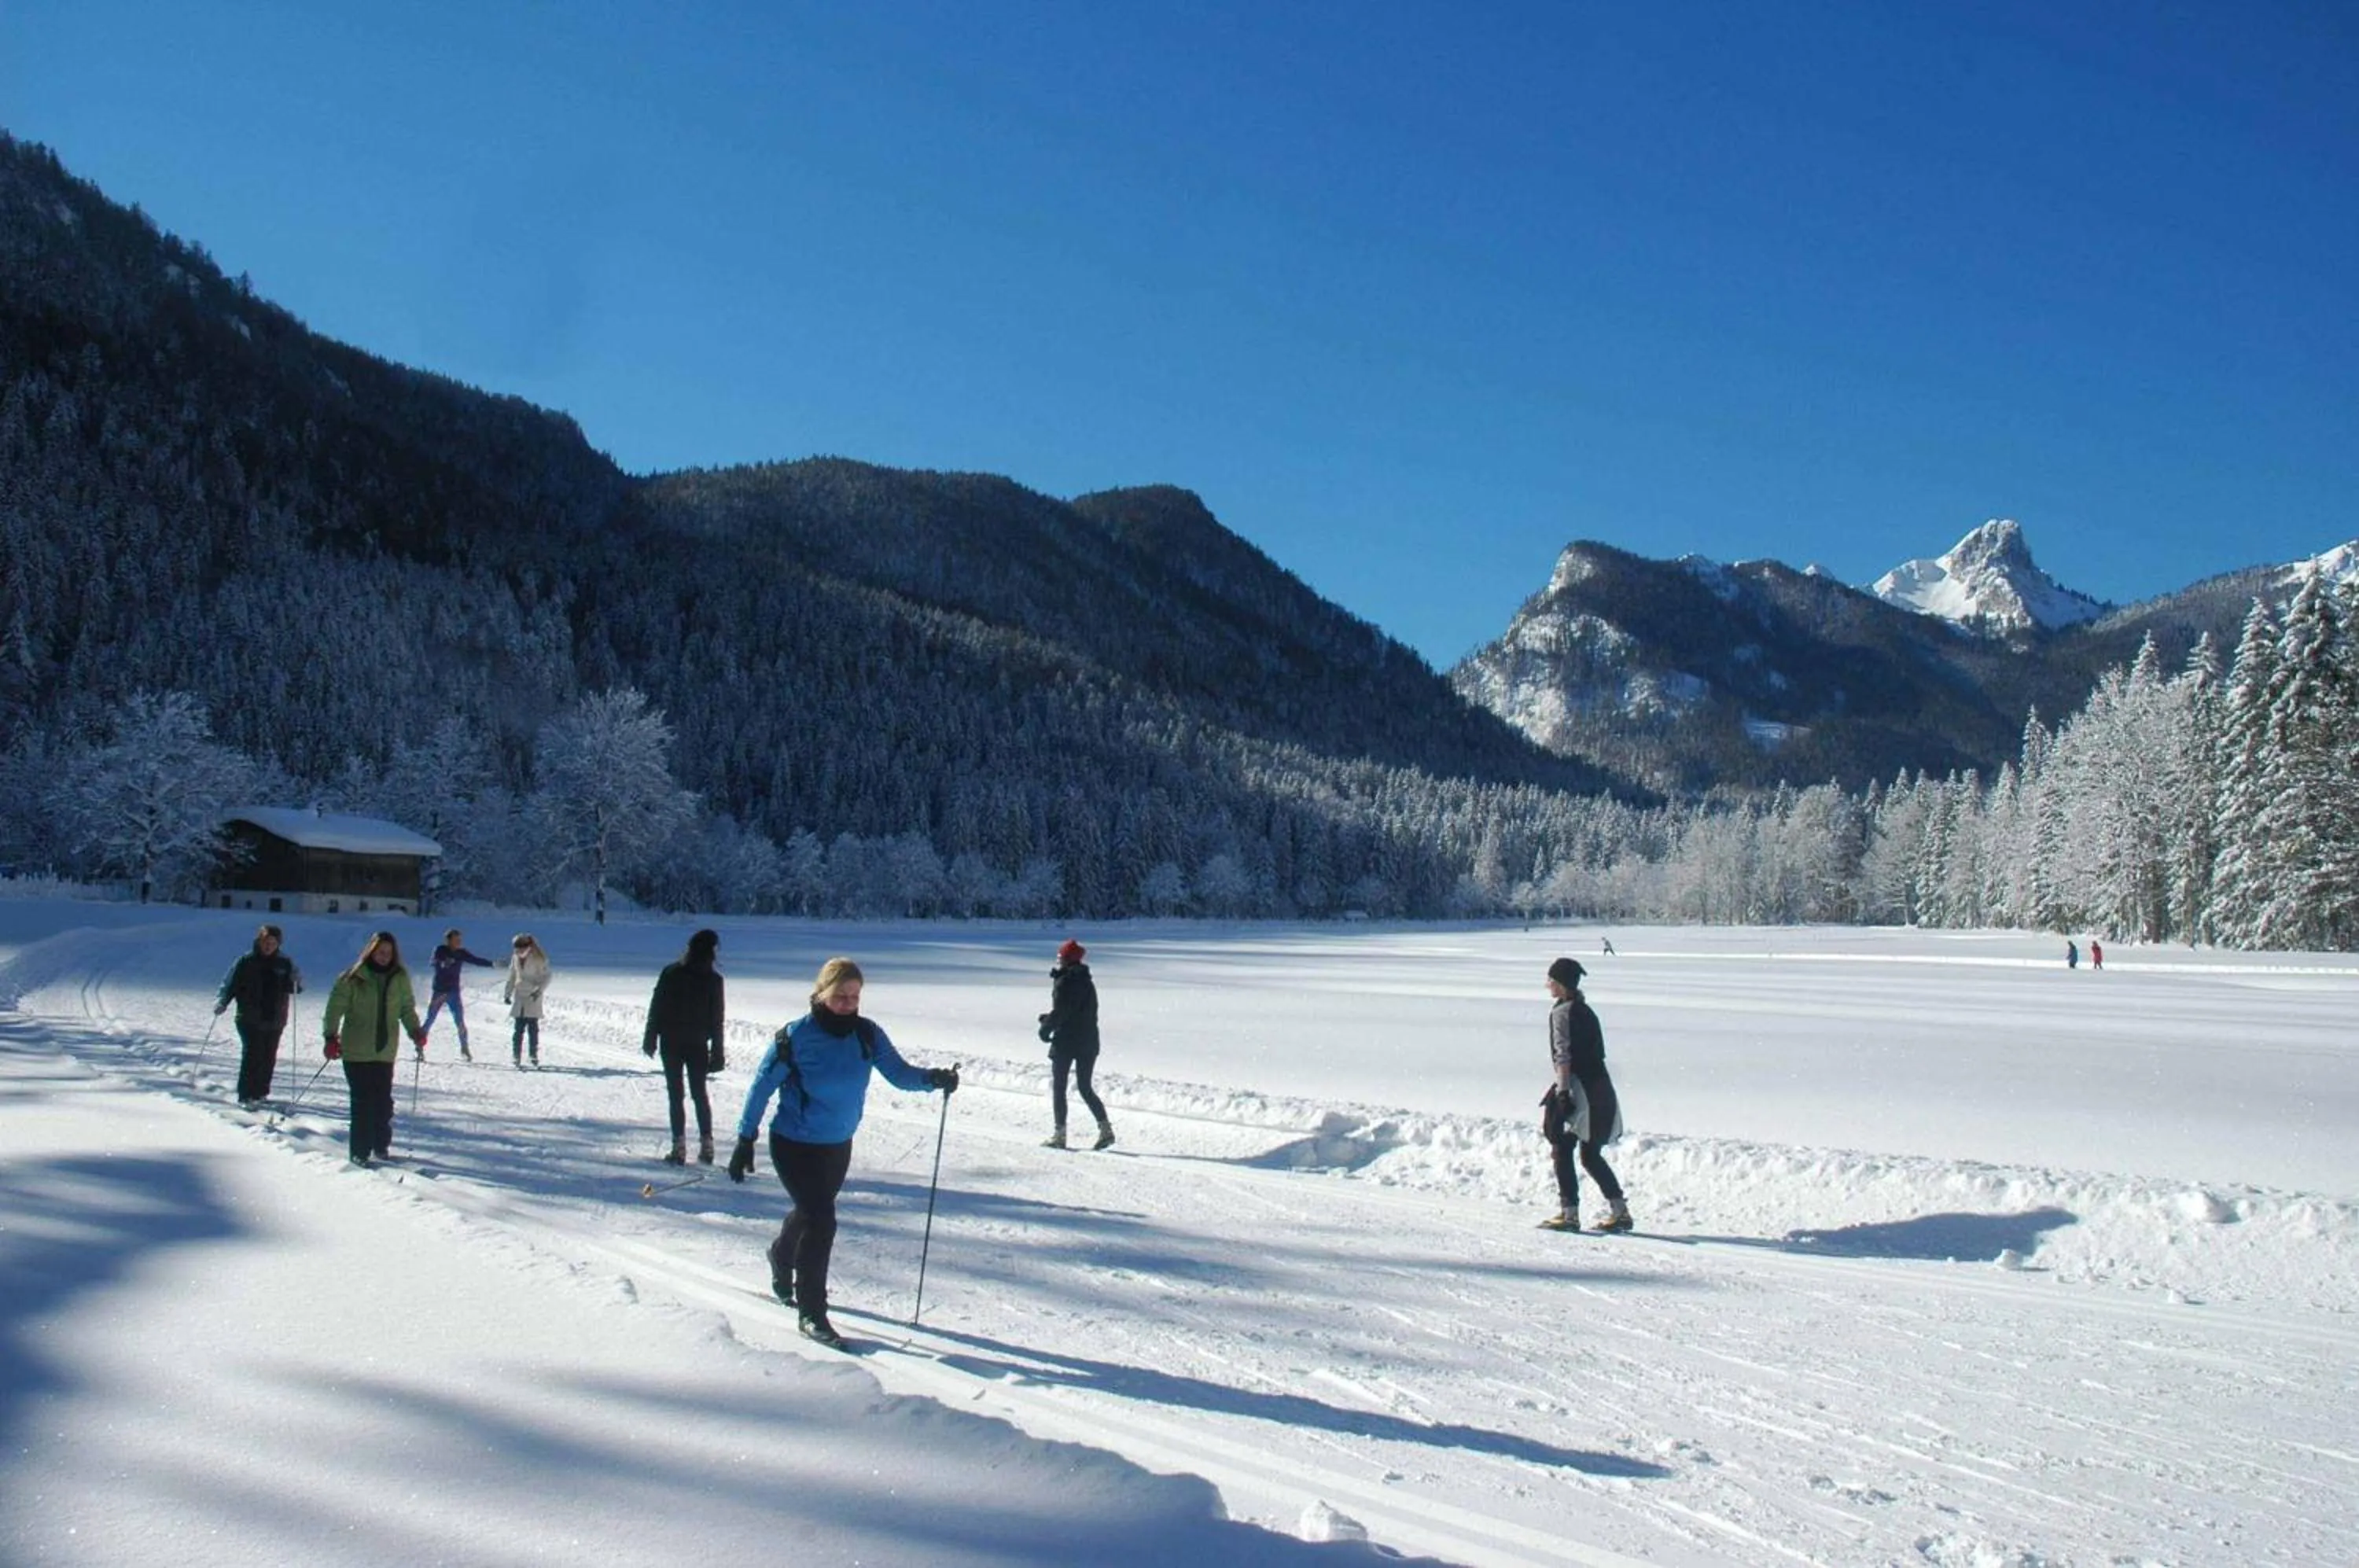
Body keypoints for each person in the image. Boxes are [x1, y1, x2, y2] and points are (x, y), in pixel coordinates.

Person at [727, 957, 959, 1349]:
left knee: (810, 1213)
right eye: (840, 997)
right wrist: (744, 1138)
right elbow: (761, 1087)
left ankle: (781, 1256)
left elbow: (899, 1074)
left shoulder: (867, 1034)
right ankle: (812, 1312)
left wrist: (932, 1079)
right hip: (793, 1143)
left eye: (854, 997)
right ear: (821, 994)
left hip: (837, 1145)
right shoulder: (795, 1037)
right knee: (822, 1220)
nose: (848, 1004)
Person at [1539, 956, 1631, 1234]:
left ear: (1561, 984)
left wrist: (1563, 1092)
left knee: (1561, 1147)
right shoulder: (1586, 1011)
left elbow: (1563, 1055)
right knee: (1590, 1154)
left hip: (1578, 1089)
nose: (1547, 985)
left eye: (1551, 980)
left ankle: (1569, 1214)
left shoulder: (1562, 1013)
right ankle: (1620, 1211)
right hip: (1600, 1086)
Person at [320, 930, 426, 1169]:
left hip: (384, 1051)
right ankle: (360, 1152)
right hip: (356, 1051)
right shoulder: (353, 977)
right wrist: (330, 1036)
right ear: (371, 952)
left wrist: (415, 1031)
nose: (384, 956)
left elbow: (406, 1008)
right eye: (380, 952)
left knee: (383, 1104)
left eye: (388, 953)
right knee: (362, 1103)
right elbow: (334, 1009)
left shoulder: (399, 977)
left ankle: (380, 1145)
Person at [644, 928, 727, 1165]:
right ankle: (707, 1144)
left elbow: (657, 1005)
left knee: (675, 1094)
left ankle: (678, 1146)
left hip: (671, 1041)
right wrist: (718, 1052)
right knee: (700, 1093)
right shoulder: (714, 980)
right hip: (698, 1043)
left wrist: (650, 1036)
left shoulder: (671, 973)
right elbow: (717, 1019)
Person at [1038, 937, 1113, 1150]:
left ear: (1068, 959)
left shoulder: (1066, 981)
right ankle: (1106, 1129)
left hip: (1066, 1041)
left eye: (1061, 957)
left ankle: (1059, 1135)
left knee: (1059, 1088)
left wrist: (1046, 1027)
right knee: (1085, 1087)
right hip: (1088, 1041)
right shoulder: (1087, 982)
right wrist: (1050, 1019)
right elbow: (1078, 1012)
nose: (1058, 960)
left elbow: (1063, 1011)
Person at [215, 923, 300, 1108]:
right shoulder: (246, 961)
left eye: (273, 943)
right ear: (259, 941)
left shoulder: (285, 963)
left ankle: (261, 1093)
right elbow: (230, 984)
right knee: (253, 1054)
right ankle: (246, 1094)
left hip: (275, 1018)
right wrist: (222, 1002)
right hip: (249, 1017)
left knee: (268, 1056)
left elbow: (294, 986)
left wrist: (296, 982)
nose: (269, 946)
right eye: (266, 942)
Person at [422, 928, 496, 1061]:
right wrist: (442, 963)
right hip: (440, 992)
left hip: (453, 993)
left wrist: (492, 964)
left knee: (460, 1021)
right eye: (456, 940)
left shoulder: (461, 953)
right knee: (430, 1019)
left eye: (460, 940)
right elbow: (434, 962)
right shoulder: (440, 950)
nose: (459, 942)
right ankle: (419, 1046)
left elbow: (475, 960)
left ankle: (464, 1048)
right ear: (448, 940)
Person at [503, 933, 551, 1067]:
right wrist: (507, 993)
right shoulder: (515, 958)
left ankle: (533, 1055)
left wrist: (539, 991)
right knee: (518, 1028)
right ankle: (516, 1055)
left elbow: (547, 977)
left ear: (528, 947)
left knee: (532, 1028)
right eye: (517, 949)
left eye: (521, 948)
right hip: (520, 995)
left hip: (533, 996)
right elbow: (512, 975)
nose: (519, 951)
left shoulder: (538, 959)